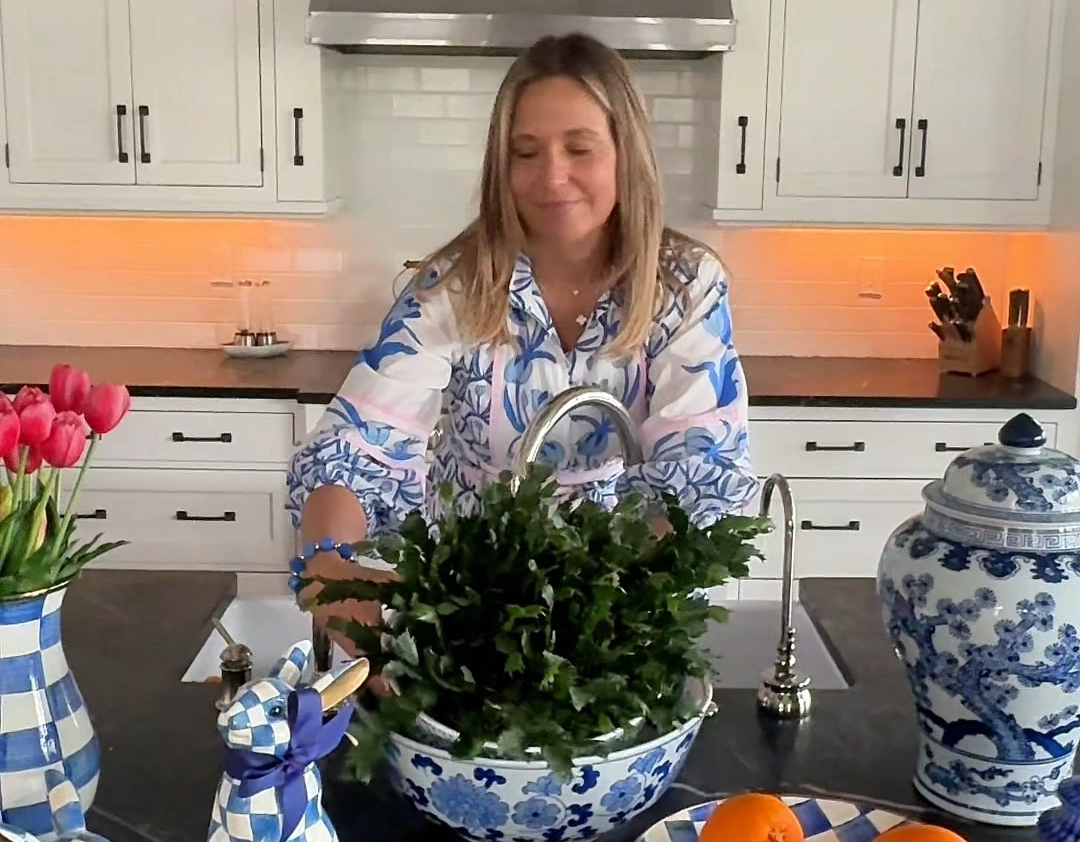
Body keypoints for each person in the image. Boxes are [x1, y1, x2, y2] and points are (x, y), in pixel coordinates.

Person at [287, 33, 757, 639]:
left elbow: (703, 465)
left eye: (579, 148)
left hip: (623, 601)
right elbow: (358, 442)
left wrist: (610, 602)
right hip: (466, 607)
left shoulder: (685, 286)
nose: (551, 175)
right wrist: (329, 565)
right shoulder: (455, 286)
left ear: (626, 154)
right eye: (525, 152)